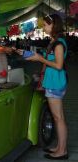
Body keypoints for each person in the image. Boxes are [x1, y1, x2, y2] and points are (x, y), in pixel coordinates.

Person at [24, 14, 68, 160]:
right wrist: (37, 57)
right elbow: (51, 60)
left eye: (45, 25)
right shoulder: (54, 42)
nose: (43, 27)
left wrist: (40, 58)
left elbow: (59, 65)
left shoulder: (59, 43)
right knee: (58, 117)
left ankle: (62, 151)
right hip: (53, 82)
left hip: (56, 83)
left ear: (54, 25)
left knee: (58, 118)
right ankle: (60, 147)